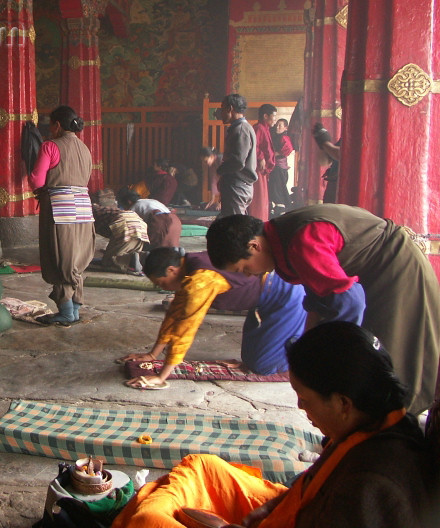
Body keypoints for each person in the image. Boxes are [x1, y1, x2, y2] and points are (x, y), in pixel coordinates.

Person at [112, 322, 438, 528]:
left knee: (148, 520)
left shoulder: (372, 485)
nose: (300, 407)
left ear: (342, 403)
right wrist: (273, 505)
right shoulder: (373, 420)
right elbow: (312, 484)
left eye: (305, 398)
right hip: (294, 510)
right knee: (203, 467)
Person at [205, 205, 440, 413]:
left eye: (244, 268)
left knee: (388, 365)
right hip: (379, 275)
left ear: (254, 246)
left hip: (399, 272)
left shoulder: (300, 242)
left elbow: (350, 303)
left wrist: (331, 362)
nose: (249, 275)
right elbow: (317, 298)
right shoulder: (283, 235)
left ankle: (391, 438)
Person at [119, 246, 305, 387]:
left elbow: (185, 328)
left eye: (161, 283)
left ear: (171, 270)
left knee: (263, 366)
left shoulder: (200, 281)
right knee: (250, 359)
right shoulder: (187, 267)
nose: (163, 288)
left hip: (286, 294)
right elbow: (174, 315)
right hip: (263, 301)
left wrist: (161, 377)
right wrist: (152, 355)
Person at [28, 105, 95, 326]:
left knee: (59, 259)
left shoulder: (50, 146)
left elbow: (37, 180)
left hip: (60, 208)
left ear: (57, 125)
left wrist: (40, 188)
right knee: (75, 260)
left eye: (50, 125)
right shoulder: (85, 148)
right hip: (84, 207)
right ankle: (74, 310)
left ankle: (66, 313)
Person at [215, 94, 256, 217]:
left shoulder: (241, 129)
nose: (220, 113)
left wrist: (220, 170)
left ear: (230, 108)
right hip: (238, 185)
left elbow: (238, 161)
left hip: (237, 185)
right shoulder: (240, 128)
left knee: (235, 227)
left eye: (222, 109)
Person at [91, 190, 149, 274]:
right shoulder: (106, 210)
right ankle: (142, 256)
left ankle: (130, 259)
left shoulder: (92, 214)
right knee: (130, 249)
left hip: (124, 223)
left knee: (108, 261)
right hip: (139, 224)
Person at [116, 187, 182, 250]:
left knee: (151, 249)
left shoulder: (134, 207)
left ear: (128, 202)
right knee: (171, 247)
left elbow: (129, 226)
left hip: (161, 222)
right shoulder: (149, 201)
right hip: (175, 221)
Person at [249, 103, 277, 221]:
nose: (275, 120)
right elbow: (254, 146)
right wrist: (260, 157)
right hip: (258, 168)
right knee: (259, 199)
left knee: (263, 198)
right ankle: (257, 223)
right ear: (266, 116)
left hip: (263, 169)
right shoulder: (259, 128)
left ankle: (261, 222)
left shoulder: (265, 128)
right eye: (274, 116)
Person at [268, 118, 294, 216]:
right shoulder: (276, 136)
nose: (277, 127)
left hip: (279, 167)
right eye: (277, 125)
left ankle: (282, 207)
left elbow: (288, 149)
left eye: (280, 125)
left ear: (285, 128)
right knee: (275, 188)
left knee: (277, 189)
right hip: (276, 167)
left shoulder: (284, 138)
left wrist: (274, 154)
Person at [313, 123, 341, 203]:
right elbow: (324, 161)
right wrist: (322, 146)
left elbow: (343, 155)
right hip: (333, 184)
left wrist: (325, 143)